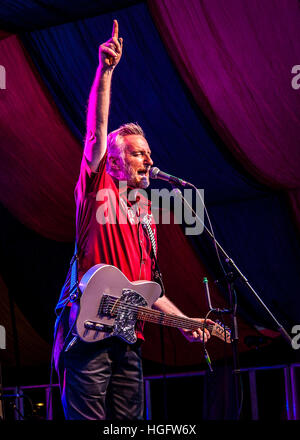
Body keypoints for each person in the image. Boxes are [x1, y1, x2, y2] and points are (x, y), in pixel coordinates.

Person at [53, 20, 214, 420]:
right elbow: (95, 134)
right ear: (116, 161)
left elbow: (148, 290)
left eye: (147, 152)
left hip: (128, 338)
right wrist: (105, 72)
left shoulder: (146, 215)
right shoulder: (97, 188)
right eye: (138, 153)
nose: (148, 159)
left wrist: (182, 322)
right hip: (88, 332)